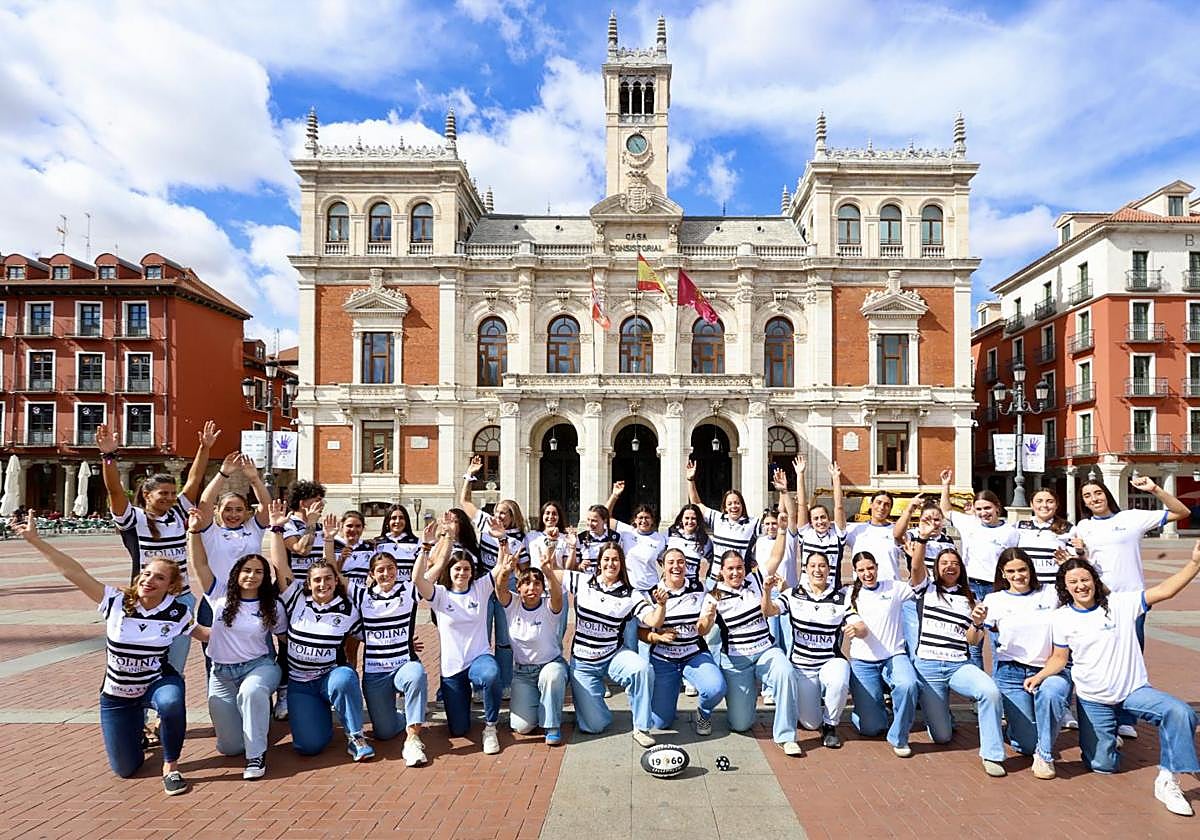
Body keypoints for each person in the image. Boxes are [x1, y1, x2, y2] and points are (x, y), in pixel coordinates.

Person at [17, 511, 204, 794]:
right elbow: (74, 572)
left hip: (155, 682)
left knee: (170, 702)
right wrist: (35, 540)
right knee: (125, 769)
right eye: (147, 573)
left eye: (159, 578)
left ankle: (171, 766)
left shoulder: (177, 612)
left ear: (171, 586)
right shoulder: (116, 601)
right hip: (118, 695)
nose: (149, 580)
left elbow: (207, 635)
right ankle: (134, 734)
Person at [1026, 550, 1200, 817]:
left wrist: (1195, 563)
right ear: (1065, 587)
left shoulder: (1121, 604)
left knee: (1180, 712)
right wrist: (1040, 676)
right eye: (1073, 582)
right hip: (1093, 699)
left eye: (1085, 579)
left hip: (1133, 691)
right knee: (1103, 765)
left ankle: (1168, 778)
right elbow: (1060, 658)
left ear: (1095, 581)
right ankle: (1106, 737)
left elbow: (1166, 590)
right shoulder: (1061, 617)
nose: (1080, 586)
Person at [95, 421, 217, 674]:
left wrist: (204, 448)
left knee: (175, 666)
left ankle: (169, 698)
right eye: (163, 493)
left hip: (180, 598)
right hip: (146, 599)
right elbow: (115, 490)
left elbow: (194, 480)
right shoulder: (134, 519)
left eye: (172, 493)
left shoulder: (178, 512)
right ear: (147, 495)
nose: (170, 497)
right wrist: (108, 456)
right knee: (143, 663)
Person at [1075, 474, 1189, 740]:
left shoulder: (1132, 518)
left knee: (1131, 658)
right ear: (1084, 503)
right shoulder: (1083, 526)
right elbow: (1084, 563)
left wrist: (1155, 489)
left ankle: (1125, 718)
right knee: (1102, 657)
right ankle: (1104, 716)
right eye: (1087, 496)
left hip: (1131, 601)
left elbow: (1181, 512)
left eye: (1097, 493)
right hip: (1098, 601)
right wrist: (1080, 552)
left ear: (1107, 494)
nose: (1094, 499)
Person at [265, 505, 374, 762]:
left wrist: (405, 645)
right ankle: (320, 716)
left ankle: (356, 736)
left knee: (345, 678)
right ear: (308, 583)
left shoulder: (348, 609)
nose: (323, 584)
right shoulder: (296, 598)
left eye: (328, 579)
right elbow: (280, 566)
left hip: (329, 676)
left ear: (336, 581)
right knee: (308, 746)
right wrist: (276, 529)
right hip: (300, 684)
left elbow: (370, 636)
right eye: (317, 580)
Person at [185, 510, 283, 780]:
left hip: (259, 667)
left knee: (252, 693)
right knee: (230, 747)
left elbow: (285, 638)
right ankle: (249, 732)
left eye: (259, 572)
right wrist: (193, 532)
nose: (252, 576)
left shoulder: (271, 605)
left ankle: (256, 757)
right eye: (247, 570)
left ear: (265, 577)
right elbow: (199, 564)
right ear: (237, 573)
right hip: (221, 673)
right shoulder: (218, 594)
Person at [907, 528, 1008, 777]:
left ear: (961, 569)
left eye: (954, 563)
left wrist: (977, 624)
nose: (949, 567)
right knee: (942, 736)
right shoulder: (926, 589)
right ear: (936, 568)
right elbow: (916, 567)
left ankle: (992, 754)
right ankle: (940, 718)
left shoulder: (971, 600)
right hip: (928, 667)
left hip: (958, 665)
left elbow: (972, 641)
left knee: (990, 692)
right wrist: (922, 538)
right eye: (944, 563)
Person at [412, 512, 508, 755]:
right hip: (453, 669)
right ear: (450, 570)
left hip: (479, 659)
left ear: (472, 572)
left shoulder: (480, 588)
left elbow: (500, 566)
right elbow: (418, 580)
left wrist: (502, 539)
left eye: (466, 569)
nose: (462, 573)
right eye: (457, 569)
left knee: (491, 675)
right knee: (458, 729)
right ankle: (462, 707)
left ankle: (490, 727)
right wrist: (425, 547)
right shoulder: (440, 595)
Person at [560, 542, 665, 747]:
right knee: (594, 726)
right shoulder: (583, 581)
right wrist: (547, 563)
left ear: (621, 563)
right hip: (583, 662)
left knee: (642, 669)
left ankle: (641, 727)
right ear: (599, 562)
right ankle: (593, 704)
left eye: (615, 559)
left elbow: (654, 620)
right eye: (606, 559)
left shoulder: (631, 594)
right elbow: (554, 575)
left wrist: (661, 605)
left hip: (613, 655)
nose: (611, 563)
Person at [982, 547, 1070, 779]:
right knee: (1026, 745)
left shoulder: (1050, 593)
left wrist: (1071, 562)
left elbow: (1090, 591)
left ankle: (1045, 755)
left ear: (1030, 570)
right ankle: (1020, 730)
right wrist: (975, 623)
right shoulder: (994, 600)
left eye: (1022, 569)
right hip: (1010, 673)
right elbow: (973, 638)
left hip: (1049, 669)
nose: (1018, 575)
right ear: (1003, 573)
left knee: (1052, 694)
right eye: (1011, 571)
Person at [706, 550, 801, 754]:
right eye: (730, 568)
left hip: (766, 651)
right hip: (736, 661)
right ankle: (746, 700)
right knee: (740, 724)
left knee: (785, 672)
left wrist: (783, 532)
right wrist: (708, 618)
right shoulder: (714, 596)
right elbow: (702, 629)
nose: (735, 572)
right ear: (721, 571)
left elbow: (775, 557)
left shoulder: (755, 580)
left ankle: (786, 736)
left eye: (739, 567)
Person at [191, 452, 271, 675]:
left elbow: (267, 507)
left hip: (252, 600)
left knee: (260, 653)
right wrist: (223, 474)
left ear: (247, 512)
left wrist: (254, 479)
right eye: (227, 509)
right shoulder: (211, 532)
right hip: (216, 599)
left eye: (238, 510)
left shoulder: (253, 529)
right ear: (217, 511)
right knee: (215, 661)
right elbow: (205, 502)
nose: (233, 514)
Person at [346, 548, 428, 767]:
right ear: (371, 574)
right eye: (380, 570)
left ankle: (413, 739)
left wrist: (430, 546)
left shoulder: (408, 590)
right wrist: (328, 540)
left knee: (417, 674)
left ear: (397, 570)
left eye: (390, 568)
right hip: (375, 671)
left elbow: (433, 571)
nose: (386, 574)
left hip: (403, 664)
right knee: (384, 732)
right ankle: (404, 715)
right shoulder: (362, 595)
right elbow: (336, 577)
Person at [765, 548, 851, 749]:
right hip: (803, 667)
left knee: (839, 679)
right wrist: (767, 592)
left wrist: (858, 627)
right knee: (811, 724)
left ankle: (830, 725)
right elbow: (769, 611)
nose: (817, 570)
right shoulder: (793, 594)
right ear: (805, 569)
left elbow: (855, 620)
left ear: (829, 569)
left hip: (829, 661)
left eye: (822, 566)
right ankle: (812, 705)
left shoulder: (842, 597)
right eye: (812, 566)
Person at [459, 455, 527, 694]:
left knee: (505, 640)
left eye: (504, 513)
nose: (499, 516)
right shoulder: (486, 523)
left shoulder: (520, 539)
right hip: (484, 584)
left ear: (513, 516)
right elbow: (465, 502)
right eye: (497, 512)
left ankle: (505, 683)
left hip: (507, 586)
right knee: (481, 635)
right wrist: (470, 475)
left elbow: (522, 570)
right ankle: (480, 685)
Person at [939, 470, 1019, 671]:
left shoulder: (1011, 532)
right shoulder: (969, 523)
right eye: (979, 509)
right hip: (972, 587)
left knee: (997, 638)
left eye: (987, 508)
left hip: (997, 588)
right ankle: (979, 682)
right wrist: (946, 485)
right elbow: (946, 510)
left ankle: (999, 680)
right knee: (974, 639)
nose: (984, 513)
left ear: (997, 507)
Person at [643, 547, 727, 736]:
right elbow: (641, 632)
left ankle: (703, 713)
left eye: (681, 562)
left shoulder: (698, 588)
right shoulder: (652, 593)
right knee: (660, 723)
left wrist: (707, 620)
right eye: (671, 562)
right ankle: (667, 700)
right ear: (662, 566)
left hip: (693, 654)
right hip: (663, 659)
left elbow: (703, 629)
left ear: (686, 565)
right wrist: (658, 637)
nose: (676, 566)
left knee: (716, 688)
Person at [844, 551, 921, 758]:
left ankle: (899, 737)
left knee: (908, 685)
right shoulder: (850, 594)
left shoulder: (894, 587)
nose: (867, 573)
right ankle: (874, 710)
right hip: (863, 662)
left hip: (894, 656)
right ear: (855, 572)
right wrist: (857, 630)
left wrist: (916, 555)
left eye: (870, 568)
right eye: (861, 570)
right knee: (871, 728)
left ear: (877, 567)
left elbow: (918, 581)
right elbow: (859, 628)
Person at [495, 531, 568, 745]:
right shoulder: (513, 605)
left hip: (550, 665)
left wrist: (549, 572)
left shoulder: (549, 606)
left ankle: (552, 725)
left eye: (537, 584)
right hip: (523, 673)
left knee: (552, 677)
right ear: (518, 588)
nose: (531, 588)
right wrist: (505, 571)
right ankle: (540, 703)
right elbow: (500, 589)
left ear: (542, 588)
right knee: (522, 726)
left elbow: (557, 594)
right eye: (526, 583)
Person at [276, 480, 328, 720]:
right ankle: (283, 694)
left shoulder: (318, 525)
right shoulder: (289, 523)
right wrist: (310, 524)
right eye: (317, 500)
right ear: (303, 502)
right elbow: (300, 549)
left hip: (317, 593)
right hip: (292, 592)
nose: (321, 504)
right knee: (288, 643)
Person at [893, 494, 958, 658]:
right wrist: (909, 509)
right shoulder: (913, 535)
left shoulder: (947, 540)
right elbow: (897, 535)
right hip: (917, 593)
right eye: (927, 519)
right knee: (915, 637)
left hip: (939, 594)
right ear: (920, 519)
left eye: (937, 520)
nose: (933, 523)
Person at [686, 460, 761, 572]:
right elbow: (697, 504)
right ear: (725, 507)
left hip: (738, 577)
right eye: (729, 504)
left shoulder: (753, 523)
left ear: (742, 505)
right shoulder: (717, 519)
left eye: (737, 503)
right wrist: (690, 480)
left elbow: (775, 531)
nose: (734, 506)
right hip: (715, 577)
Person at [793, 458, 847, 590]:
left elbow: (839, 507)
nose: (820, 521)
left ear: (829, 519)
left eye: (823, 517)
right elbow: (801, 505)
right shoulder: (806, 533)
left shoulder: (837, 535)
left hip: (831, 590)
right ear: (810, 522)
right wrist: (800, 474)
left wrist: (836, 478)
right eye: (815, 519)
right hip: (806, 590)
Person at [1015, 489, 1075, 587]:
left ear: (1056, 505)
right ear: (1031, 504)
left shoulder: (1068, 529)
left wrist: (1069, 560)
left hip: (1054, 588)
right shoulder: (1019, 527)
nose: (1044, 505)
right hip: (1026, 587)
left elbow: (1075, 562)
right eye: (1039, 501)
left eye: (1050, 501)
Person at [841, 489, 903, 582]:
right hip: (863, 587)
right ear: (871, 504)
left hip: (891, 587)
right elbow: (838, 526)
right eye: (879, 502)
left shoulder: (896, 532)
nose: (882, 507)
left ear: (890, 509)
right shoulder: (856, 530)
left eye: (886, 504)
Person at [664, 503, 713, 587]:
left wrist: (710, 583)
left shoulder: (704, 540)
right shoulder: (670, 533)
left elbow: (713, 562)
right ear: (681, 519)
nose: (690, 522)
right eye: (687, 518)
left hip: (691, 586)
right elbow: (660, 556)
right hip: (670, 584)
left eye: (693, 518)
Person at [374, 504, 420, 584]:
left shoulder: (417, 543)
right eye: (394, 518)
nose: (397, 521)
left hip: (408, 589)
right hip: (384, 589)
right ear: (387, 521)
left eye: (401, 518)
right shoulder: (377, 543)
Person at [330, 510, 374, 588]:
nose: (353, 529)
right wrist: (341, 560)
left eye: (358, 526)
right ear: (342, 526)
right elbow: (330, 574)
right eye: (349, 526)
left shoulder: (370, 548)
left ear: (363, 528)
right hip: (340, 592)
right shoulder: (332, 546)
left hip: (361, 592)